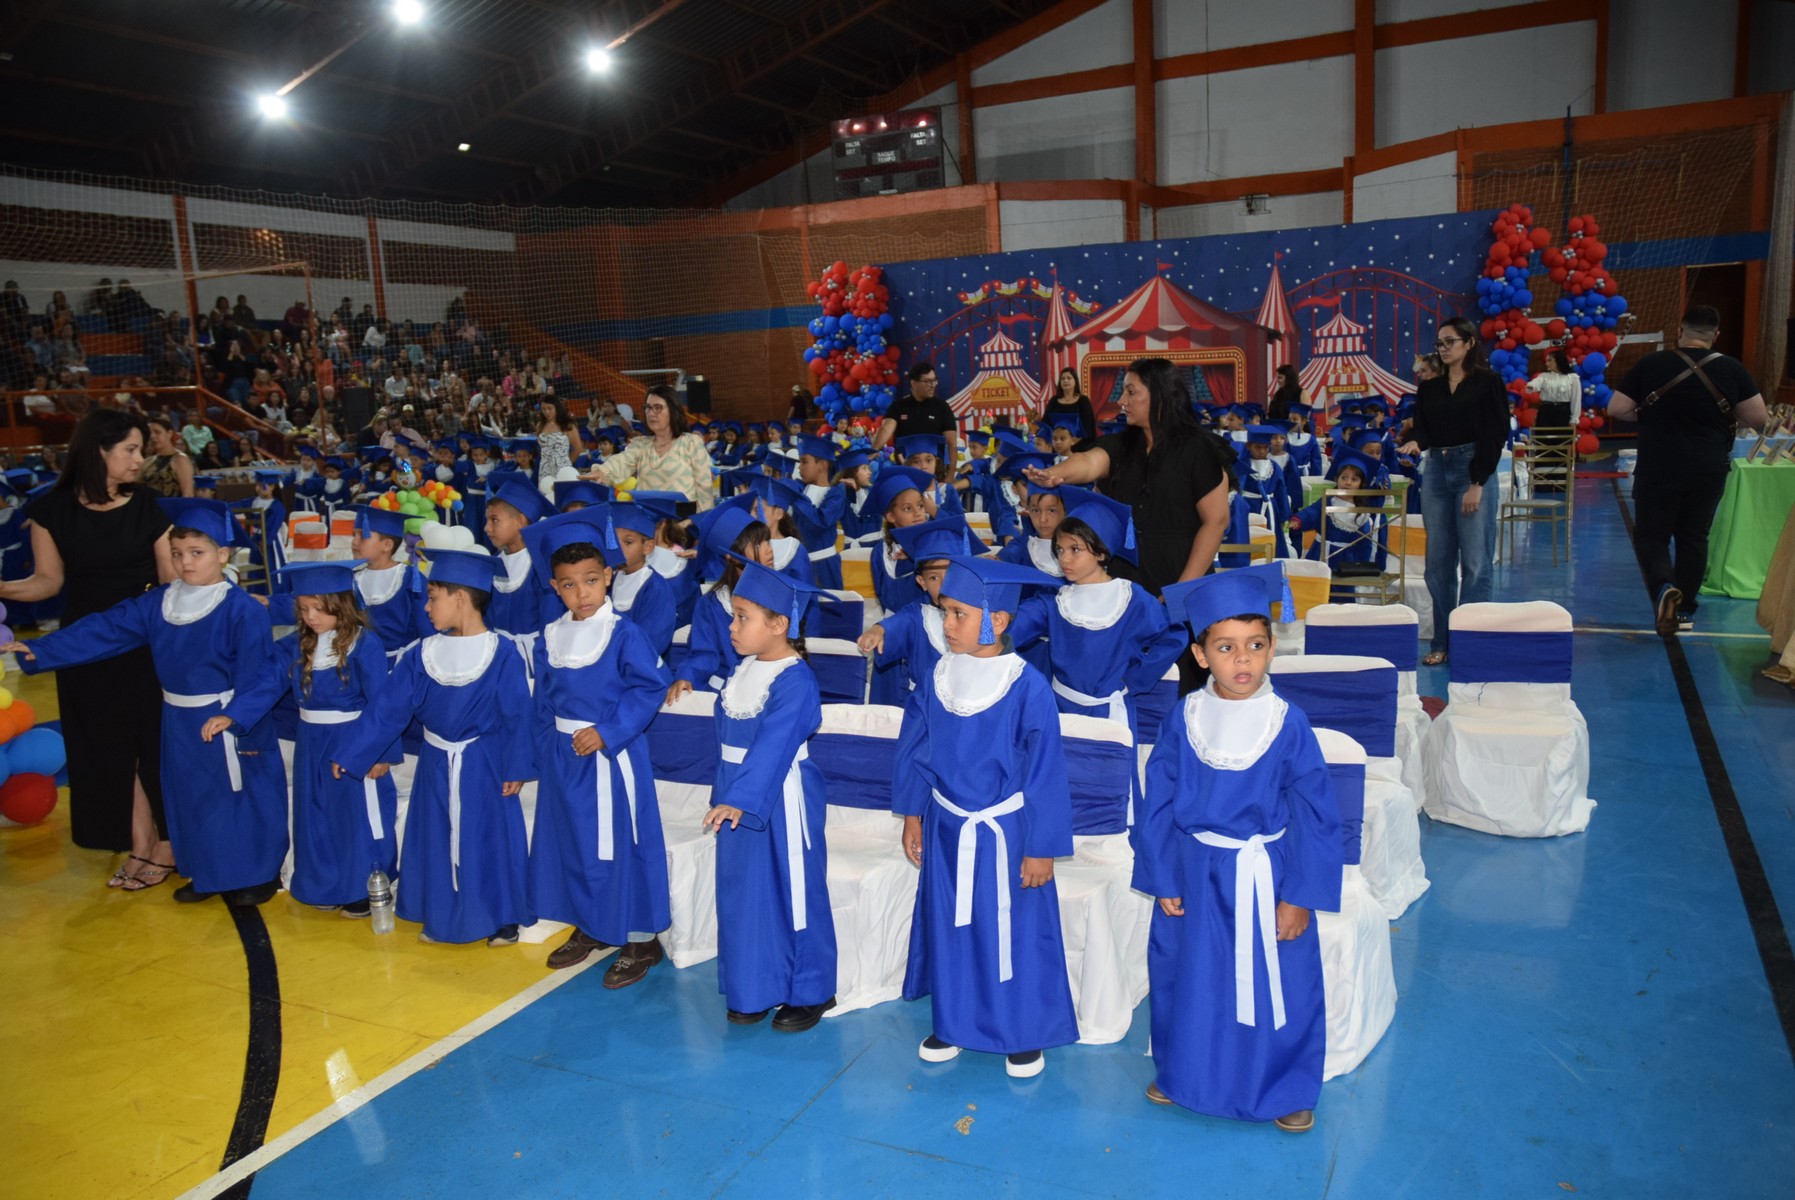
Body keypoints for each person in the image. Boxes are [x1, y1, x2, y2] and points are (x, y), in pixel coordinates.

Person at [1137, 566, 1342, 1132]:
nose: (1243, 660)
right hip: (1195, 871)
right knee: (1190, 978)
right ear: (1201, 656)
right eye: (1226, 648)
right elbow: (1159, 799)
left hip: (1266, 876)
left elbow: (1318, 815)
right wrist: (1163, 876)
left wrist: (1301, 894)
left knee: (1280, 980)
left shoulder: (1288, 723)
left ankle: (1285, 1085)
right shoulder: (1185, 717)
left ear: (1273, 647)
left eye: (1255, 645)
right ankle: (1184, 1073)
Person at [8, 498, 287, 906]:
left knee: (237, 794)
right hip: (176, 717)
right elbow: (107, 628)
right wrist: (42, 651)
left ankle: (256, 874)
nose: (186, 563)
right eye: (177, 554)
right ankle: (207, 871)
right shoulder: (160, 602)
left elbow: (262, 675)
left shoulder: (241, 611)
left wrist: (238, 718)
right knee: (190, 795)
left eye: (197, 553)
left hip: (227, 717)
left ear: (223, 555)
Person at [894, 555, 1079, 1079]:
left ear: (997, 620)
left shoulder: (1026, 687)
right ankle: (954, 1020)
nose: (946, 624)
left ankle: (1021, 1029)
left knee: (1013, 929)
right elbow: (916, 746)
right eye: (944, 612)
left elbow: (1045, 772)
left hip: (1007, 832)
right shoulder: (937, 676)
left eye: (957, 614)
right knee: (954, 925)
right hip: (948, 827)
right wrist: (913, 814)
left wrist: (1041, 846)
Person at [0, 410, 174, 887]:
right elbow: (46, 582)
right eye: (131, 450)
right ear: (100, 450)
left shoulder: (149, 506)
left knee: (152, 745)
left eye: (141, 449)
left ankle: (166, 843)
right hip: (84, 646)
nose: (140, 459)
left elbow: (170, 579)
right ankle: (141, 844)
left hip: (145, 640)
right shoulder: (51, 510)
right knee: (110, 748)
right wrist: (3, 587)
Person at [334, 548, 536, 946]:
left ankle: (499, 915)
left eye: (433, 596)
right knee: (438, 835)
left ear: (460, 598)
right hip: (436, 761)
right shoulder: (422, 654)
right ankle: (442, 911)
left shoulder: (503, 653)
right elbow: (387, 710)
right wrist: (352, 751)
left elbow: (517, 714)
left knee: (487, 837)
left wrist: (516, 767)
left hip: (484, 763)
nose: (426, 607)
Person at [522, 511, 671, 980]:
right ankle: (590, 924)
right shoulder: (552, 635)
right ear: (554, 587)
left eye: (590, 580)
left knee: (623, 843)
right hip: (567, 758)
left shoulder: (624, 633)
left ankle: (640, 939)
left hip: (613, 755)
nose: (581, 593)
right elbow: (542, 701)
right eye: (568, 585)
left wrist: (608, 730)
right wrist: (543, 752)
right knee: (574, 841)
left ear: (608, 576)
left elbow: (649, 688)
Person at [703, 559, 837, 1032]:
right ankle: (753, 985)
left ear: (779, 625)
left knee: (793, 890)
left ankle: (811, 988)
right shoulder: (743, 671)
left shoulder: (795, 680)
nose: (731, 625)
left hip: (778, 797)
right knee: (745, 893)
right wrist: (727, 794)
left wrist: (741, 796)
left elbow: (775, 743)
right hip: (736, 795)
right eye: (733, 614)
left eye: (743, 616)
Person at [1608, 304, 1767, 635]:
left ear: (1681, 331)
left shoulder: (1652, 364)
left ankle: (1665, 587)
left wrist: (1652, 415)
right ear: (1716, 335)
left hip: (1658, 464)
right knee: (1694, 536)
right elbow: (1758, 419)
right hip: (1708, 466)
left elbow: (1617, 408)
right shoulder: (1732, 369)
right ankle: (1685, 612)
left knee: (1652, 535)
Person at [278, 562, 400, 916]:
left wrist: (379, 754)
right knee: (315, 813)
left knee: (355, 816)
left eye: (319, 608)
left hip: (353, 740)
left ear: (341, 605)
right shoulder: (298, 644)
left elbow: (382, 703)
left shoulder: (366, 644)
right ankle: (322, 884)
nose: (311, 617)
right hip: (311, 741)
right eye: (304, 609)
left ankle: (364, 884)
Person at [1398, 317, 1510, 666]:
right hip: (1436, 474)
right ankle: (1442, 640)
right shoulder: (1429, 388)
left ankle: (1472, 640)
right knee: (1438, 565)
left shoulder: (1488, 383)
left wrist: (1477, 482)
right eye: (1440, 343)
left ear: (1469, 343)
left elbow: (1495, 433)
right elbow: (1427, 429)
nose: (1443, 348)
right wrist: (1415, 441)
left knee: (1475, 562)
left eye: (1450, 342)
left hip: (1471, 468)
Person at [585, 385, 714, 510]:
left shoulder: (691, 442)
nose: (651, 413)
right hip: (648, 516)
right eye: (648, 408)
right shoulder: (641, 444)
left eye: (657, 408)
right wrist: (602, 471)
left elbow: (705, 489)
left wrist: (694, 522)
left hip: (683, 519)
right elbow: (622, 461)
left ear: (673, 411)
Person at [483, 478, 559, 654]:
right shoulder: (492, 564)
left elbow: (550, 624)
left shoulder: (542, 568)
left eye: (494, 520)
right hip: (497, 656)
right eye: (487, 520)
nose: (486, 528)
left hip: (533, 658)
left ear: (520, 521)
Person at [873, 362, 959, 464]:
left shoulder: (942, 407)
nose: (932, 385)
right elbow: (886, 428)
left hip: (934, 472)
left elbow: (952, 444)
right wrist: (874, 450)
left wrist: (950, 475)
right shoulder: (899, 406)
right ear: (913, 383)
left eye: (934, 381)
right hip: (905, 469)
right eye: (927, 381)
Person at [534, 396, 584, 499]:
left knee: (564, 497)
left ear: (557, 408)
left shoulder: (567, 425)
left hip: (563, 468)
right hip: (544, 469)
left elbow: (578, 448)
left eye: (550, 408)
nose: (547, 412)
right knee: (546, 496)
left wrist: (567, 462)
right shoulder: (540, 425)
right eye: (543, 409)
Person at [1525, 348, 1582, 431]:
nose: (1546, 363)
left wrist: (1574, 419)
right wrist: (1531, 386)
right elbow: (1536, 383)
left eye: (1549, 360)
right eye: (1546, 360)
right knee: (1543, 439)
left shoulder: (1573, 378)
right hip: (1546, 411)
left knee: (1562, 440)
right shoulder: (1544, 376)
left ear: (1558, 361)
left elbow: (1576, 400)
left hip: (1563, 412)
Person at [139, 414, 195, 499]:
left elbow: (187, 494)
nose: (152, 436)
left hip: (170, 509)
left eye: (157, 432)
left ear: (170, 433)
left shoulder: (180, 459)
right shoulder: (147, 461)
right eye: (150, 433)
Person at [1041, 369, 1097, 446]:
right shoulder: (1054, 401)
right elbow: (1046, 423)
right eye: (1062, 378)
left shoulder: (1083, 401)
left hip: (1080, 446)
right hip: (1057, 445)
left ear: (1075, 381)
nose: (1065, 381)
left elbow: (1088, 426)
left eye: (1069, 378)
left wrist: (1071, 442)